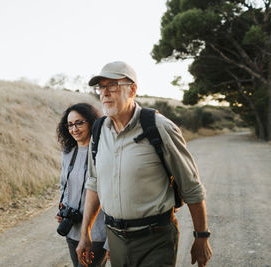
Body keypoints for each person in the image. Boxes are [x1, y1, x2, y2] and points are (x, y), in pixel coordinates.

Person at [76, 61, 213, 267]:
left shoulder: (159, 127)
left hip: (155, 239)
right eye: (101, 87)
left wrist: (201, 236)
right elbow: (94, 183)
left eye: (112, 85)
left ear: (132, 90)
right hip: (115, 239)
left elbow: (191, 185)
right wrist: (85, 232)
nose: (105, 93)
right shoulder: (98, 130)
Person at [56, 103, 108, 267]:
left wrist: (111, 238)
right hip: (72, 228)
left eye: (79, 123)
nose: (74, 129)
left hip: (97, 231)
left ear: (92, 122)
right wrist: (61, 207)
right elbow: (64, 184)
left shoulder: (103, 152)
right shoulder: (68, 152)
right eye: (70, 124)